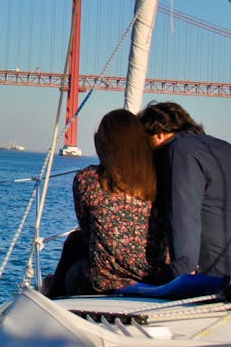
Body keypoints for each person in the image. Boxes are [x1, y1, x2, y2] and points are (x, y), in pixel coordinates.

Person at [48, 109, 169, 296]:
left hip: (103, 283)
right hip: (154, 279)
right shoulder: (161, 179)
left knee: (74, 244)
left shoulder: (88, 179)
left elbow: (87, 231)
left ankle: (51, 297)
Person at [138, 101, 231, 280]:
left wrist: (181, 273)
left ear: (159, 132)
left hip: (211, 276)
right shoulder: (226, 148)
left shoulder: (179, 152)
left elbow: (183, 215)